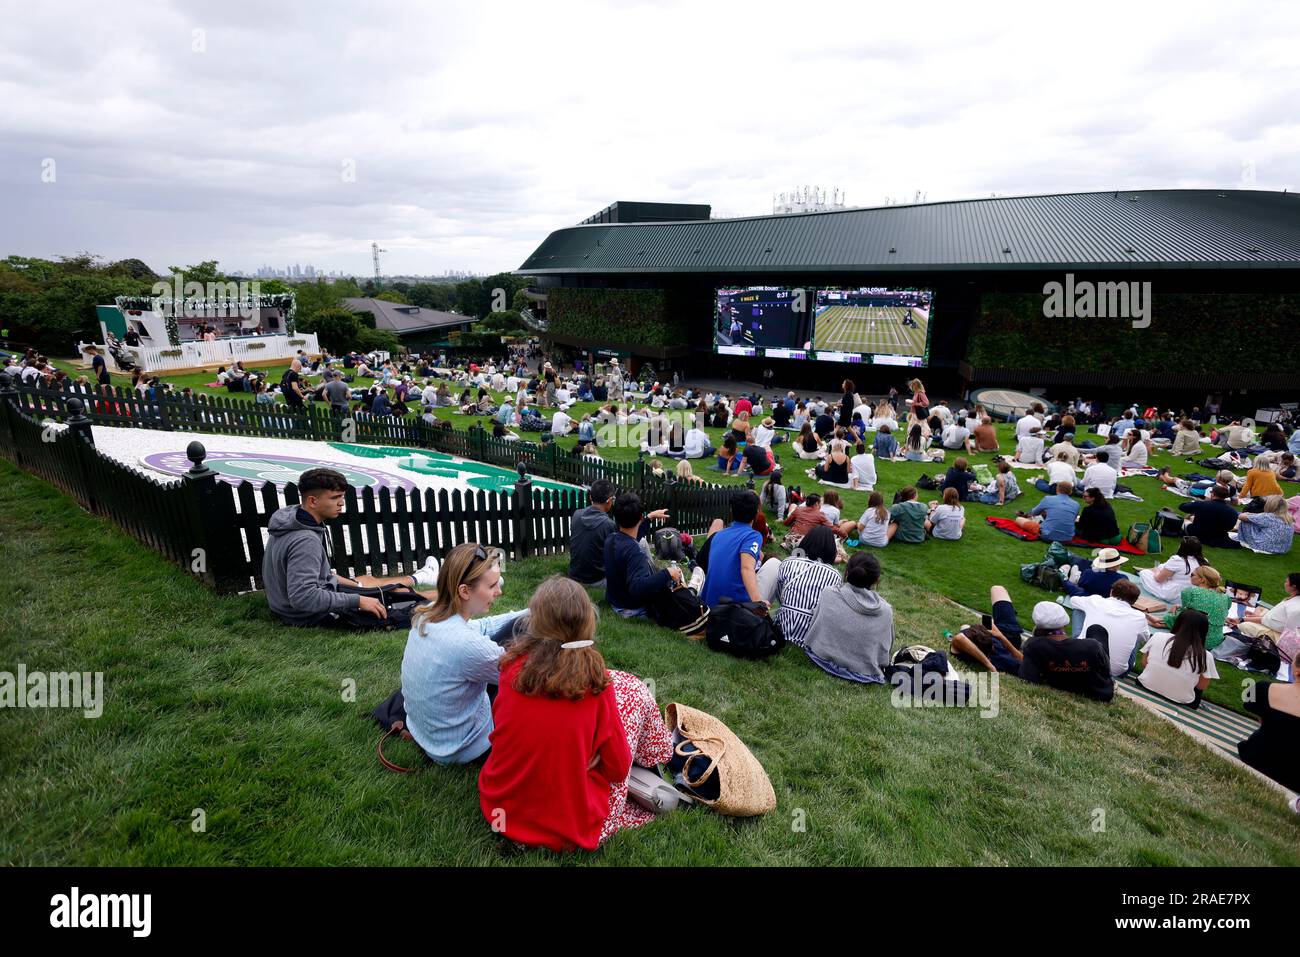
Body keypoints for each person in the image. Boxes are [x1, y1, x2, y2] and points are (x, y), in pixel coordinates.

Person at [477, 577, 673, 852]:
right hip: (569, 829)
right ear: (586, 622)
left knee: (624, 686)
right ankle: (660, 753)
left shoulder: (510, 669)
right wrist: (591, 753)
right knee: (633, 690)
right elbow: (617, 770)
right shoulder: (596, 687)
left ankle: (655, 749)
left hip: (502, 811)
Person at [261, 468, 440, 629]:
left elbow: (313, 575)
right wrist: (359, 600)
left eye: (342, 497)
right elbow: (303, 597)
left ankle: (427, 582)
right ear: (312, 501)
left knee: (373, 584)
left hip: (284, 605)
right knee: (400, 601)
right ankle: (450, 597)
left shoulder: (290, 521)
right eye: (334, 498)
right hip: (306, 614)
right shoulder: (305, 540)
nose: (341, 503)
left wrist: (357, 587)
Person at [400, 543, 524, 764]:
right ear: (465, 591)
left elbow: (482, 627)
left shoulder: (426, 616)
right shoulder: (467, 645)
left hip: (427, 734)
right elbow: (528, 679)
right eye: (493, 585)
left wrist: (530, 612)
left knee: (519, 627)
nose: (499, 591)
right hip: (462, 749)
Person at [802, 552, 894, 683]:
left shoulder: (829, 593)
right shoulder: (886, 611)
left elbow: (814, 627)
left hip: (819, 657)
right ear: (876, 580)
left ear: (847, 572)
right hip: (864, 673)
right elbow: (884, 655)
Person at [1017, 599, 1115, 702]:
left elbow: (1027, 678)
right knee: (1096, 629)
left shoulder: (1033, 646)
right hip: (1098, 693)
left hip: (1061, 683)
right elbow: (1105, 672)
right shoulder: (1092, 647)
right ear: (1065, 624)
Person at [602, 492, 680, 617]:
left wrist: (649, 518)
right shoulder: (635, 551)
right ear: (640, 518)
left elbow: (631, 537)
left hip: (615, 601)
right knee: (673, 591)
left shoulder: (611, 539)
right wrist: (668, 573)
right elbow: (638, 587)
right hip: (631, 609)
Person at [764, 526, 844, 648]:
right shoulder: (835, 575)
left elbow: (780, 595)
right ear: (831, 549)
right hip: (811, 636)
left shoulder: (788, 562)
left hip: (782, 629)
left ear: (807, 541)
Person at [1236, 648, 1300, 794]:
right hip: (1295, 776)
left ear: (1295, 670)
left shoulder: (1264, 688)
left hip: (1258, 757)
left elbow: (1250, 705)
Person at [1136, 609, 1218, 708]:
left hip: (1145, 684)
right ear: (1204, 630)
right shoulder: (1206, 656)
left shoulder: (1157, 636)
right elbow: (1201, 686)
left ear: (1178, 622)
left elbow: (1144, 663)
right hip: (1183, 700)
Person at [700, 490, 767, 608]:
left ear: (731, 510)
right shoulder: (753, 536)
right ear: (757, 513)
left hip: (709, 603)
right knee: (774, 565)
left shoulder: (718, 535)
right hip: (734, 607)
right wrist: (758, 604)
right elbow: (746, 568)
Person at [1071, 580, 1149, 676]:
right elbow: (1145, 638)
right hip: (1117, 672)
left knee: (1078, 609)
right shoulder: (1139, 617)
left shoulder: (1096, 601)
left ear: (1111, 591)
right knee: (1138, 634)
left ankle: (1076, 640)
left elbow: (1073, 600)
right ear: (1134, 601)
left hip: (1082, 659)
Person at [1150, 564, 1231, 647]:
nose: (1190, 576)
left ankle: (1159, 621)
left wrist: (1170, 615)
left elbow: (1185, 616)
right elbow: (1211, 612)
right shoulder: (1226, 597)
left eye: (1192, 575)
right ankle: (1160, 622)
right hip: (1214, 641)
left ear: (1202, 580)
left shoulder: (1190, 592)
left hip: (1194, 640)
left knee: (1166, 618)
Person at [568, 479, 620, 587]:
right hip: (596, 580)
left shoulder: (577, 514)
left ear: (590, 497)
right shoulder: (609, 525)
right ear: (609, 501)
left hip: (573, 576)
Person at [1138, 536, 1206, 603]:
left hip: (1173, 594)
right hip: (1193, 596)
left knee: (1144, 573)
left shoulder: (1178, 560)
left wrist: (1156, 571)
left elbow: (1159, 579)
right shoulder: (1204, 561)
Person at [1235, 573, 1300, 640]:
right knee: (1260, 608)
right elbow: (1275, 618)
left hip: (1276, 634)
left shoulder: (1295, 609)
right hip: (1274, 623)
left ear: (1294, 586)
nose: (1285, 583)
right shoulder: (1295, 599)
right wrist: (1255, 616)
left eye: (1286, 581)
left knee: (1243, 625)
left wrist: (1243, 619)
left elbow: (1272, 623)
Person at [1177, 484, 1240, 549]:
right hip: (1219, 537)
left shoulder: (1202, 504)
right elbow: (1230, 527)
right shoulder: (1233, 511)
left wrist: (1193, 503)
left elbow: (1182, 507)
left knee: (1183, 520)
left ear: (1213, 494)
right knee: (1193, 518)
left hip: (1198, 534)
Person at [1015, 482, 1080, 542]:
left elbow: (1034, 513)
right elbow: (1072, 519)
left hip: (1048, 535)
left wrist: (1025, 514)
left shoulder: (1048, 499)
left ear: (1057, 489)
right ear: (1070, 492)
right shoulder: (1076, 504)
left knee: (1018, 519)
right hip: (1068, 537)